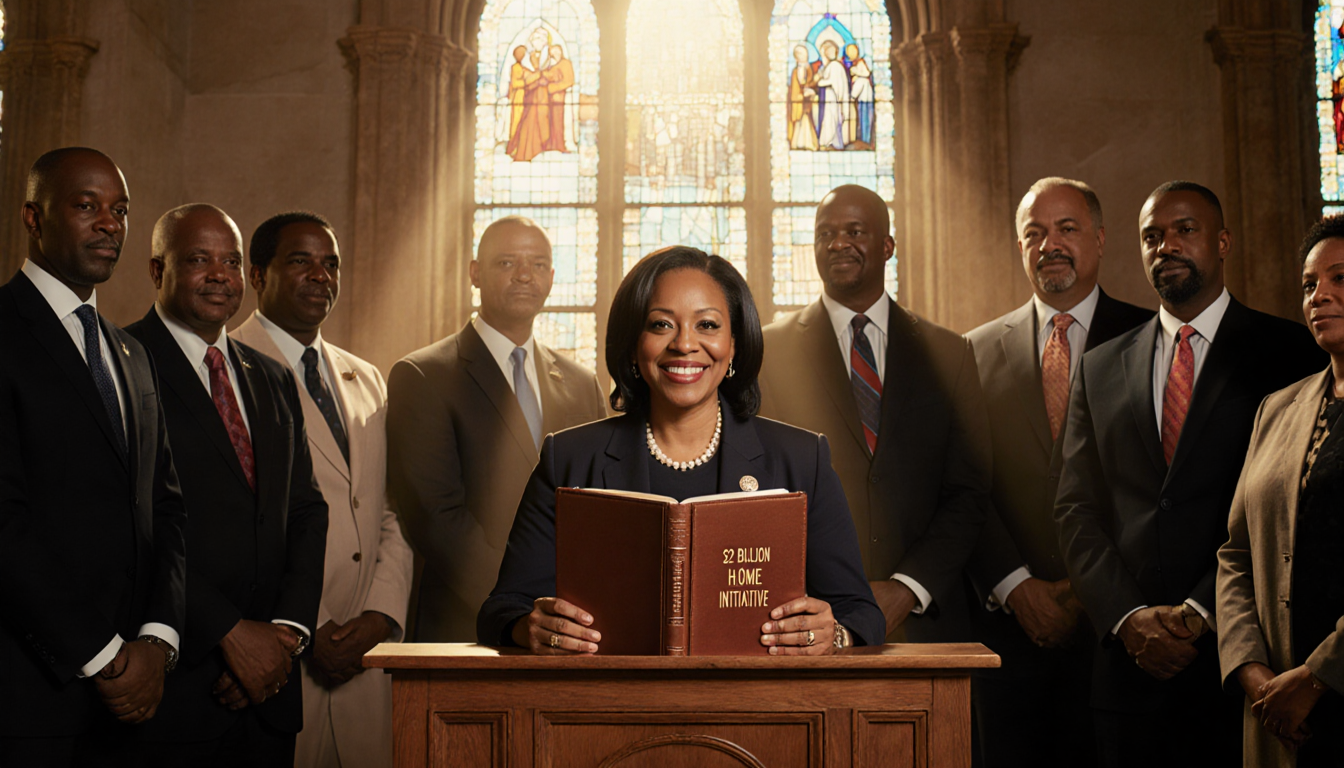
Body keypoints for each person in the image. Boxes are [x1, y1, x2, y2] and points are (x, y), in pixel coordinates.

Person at [477, 246, 885, 652]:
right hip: (606, 705)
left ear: (735, 344)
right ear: (634, 345)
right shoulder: (567, 458)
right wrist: (527, 628)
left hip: (758, 707)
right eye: (660, 325)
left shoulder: (801, 459)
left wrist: (832, 635)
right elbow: (503, 609)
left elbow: (860, 612)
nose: (685, 344)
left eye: (707, 325)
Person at [1055, 181, 1326, 767]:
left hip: (1243, 667)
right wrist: (1128, 620)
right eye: (1152, 236)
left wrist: (1199, 614)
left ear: (1223, 242)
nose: (1166, 245)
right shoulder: (1100, 366)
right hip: (1126, 673)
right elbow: (1075, 508)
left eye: (1185, 230)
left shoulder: (1287, 351)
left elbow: (1291, 510)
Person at [0, 147, 186, 766]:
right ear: (34, 216)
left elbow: (166, 508)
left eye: (121, 210)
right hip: (31, 692)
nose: (110, 224)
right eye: (86, 206)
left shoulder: (132, 353)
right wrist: (104, 658)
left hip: (141, 697)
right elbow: (4, 521)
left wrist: (157, 643)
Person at [126, 204, 329, 767]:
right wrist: (232, 637)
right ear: (156, 270)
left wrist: (284, 639)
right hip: (179, 686)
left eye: (231, 261)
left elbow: (307, 512)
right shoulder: (123, 365)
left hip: (270, 693)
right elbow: (132, 525)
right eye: (198, 259)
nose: (219, 274)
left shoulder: (270, 376)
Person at [965, 178, 1153, 767]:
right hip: (1007, 637)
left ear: (1098, 239)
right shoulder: (971, 352)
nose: (1051, 243)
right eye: (1035, 233)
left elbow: (1157, 485)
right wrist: (1014, 585)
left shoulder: (1152, 341)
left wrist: (1084, 592)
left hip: (1121, 630)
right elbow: (965, 485)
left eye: (1067, 228)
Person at [758, 184, 991, 643]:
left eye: (854, 231)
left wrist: (908, 589)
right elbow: (760, 491)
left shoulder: (950, 353)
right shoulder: (769, 353)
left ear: (887, 246)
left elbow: (969, 491)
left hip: (927, 621)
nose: (837, 243)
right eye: (825, 233)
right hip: (804, 622)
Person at [232, 211, 414, 768]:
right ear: (258, 275)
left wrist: (381, 615)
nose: (320, 276)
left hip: (366, 652)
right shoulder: (227, 369)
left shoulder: (367, 378)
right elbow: (232, 525)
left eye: (330, 263)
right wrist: (309, 627)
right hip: (283, 651)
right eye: (300, 261)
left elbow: (389, 509)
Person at [388, 215, 606, 641]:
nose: (526, 275)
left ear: (552, 277)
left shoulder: (581, 383)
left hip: (571, 625)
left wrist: (569, 607)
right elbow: (436, 518)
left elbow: (597, 508)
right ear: (475, 273)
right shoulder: (423, 374)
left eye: (539, 264)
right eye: (507, 262)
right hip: (465, 623)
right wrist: (517, 610)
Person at [1217, 215, 1344, 768]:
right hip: (1277, 713)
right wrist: (1252, 673)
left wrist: (1318, 678)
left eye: (1340, 278)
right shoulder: (1277, 408)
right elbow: (1235, 555)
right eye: (1310, 284)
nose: (1321, 296)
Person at [814, 40, 850, 151]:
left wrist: (820, 82)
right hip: (829, 97)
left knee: (831, 121)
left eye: (823, 54)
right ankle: (832, 143)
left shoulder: (834, 65)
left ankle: (828, 143)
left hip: (833, 99)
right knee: (830, 121)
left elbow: (833, 81)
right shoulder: (831, 66)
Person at [542, 44, 574, 153]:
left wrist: (551, 88)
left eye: (557, 52)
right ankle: (550, 143)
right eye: (553, 52)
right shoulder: (551, 65)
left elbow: (569, 81)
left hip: (559, 98)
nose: (556, 54)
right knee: (549, 121)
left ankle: (559, 145)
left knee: (558, 121)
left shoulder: (565, 64)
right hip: (548, 98)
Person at [788, 45, 819, 151]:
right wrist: (801, 95)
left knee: (808, 120)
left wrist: (812, 88)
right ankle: (798, 143)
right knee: (800, 122)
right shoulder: (796, 71)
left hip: (809, 101)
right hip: (800, 100)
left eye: (805, 54)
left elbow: (810, 83)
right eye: (801, 54)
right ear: (796, 57)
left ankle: (810, 143)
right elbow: (797, 87)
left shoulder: (809, 69)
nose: (804, 56)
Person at [845, 43, 874, 149]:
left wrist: (856, 73)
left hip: (866, 99)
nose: (851, 54)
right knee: (861, 120)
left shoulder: (860, 63)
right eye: (849, 52)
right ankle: (863, 139)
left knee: (866, 119)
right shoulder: (854, 64)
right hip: (861, 99)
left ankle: (866, 140)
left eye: (852, 51)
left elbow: (866, 74)